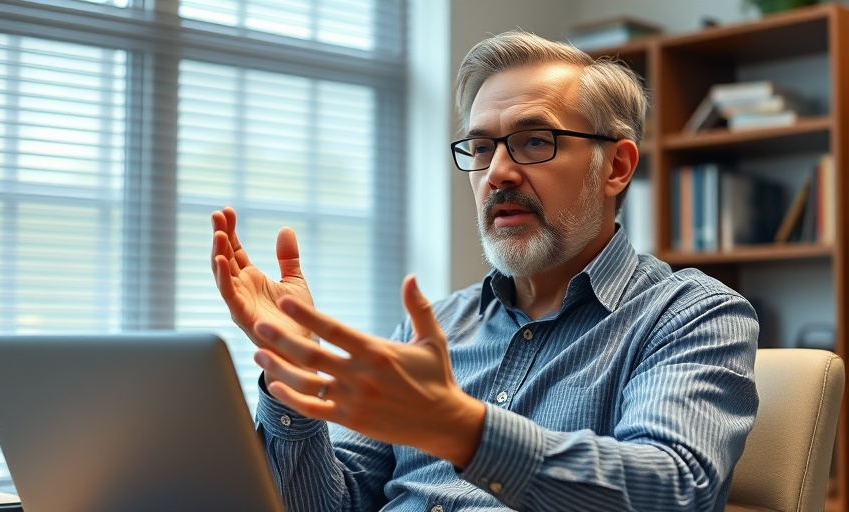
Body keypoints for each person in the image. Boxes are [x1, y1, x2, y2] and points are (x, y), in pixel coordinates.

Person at [210, 30, 758, 512]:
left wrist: (460, 429)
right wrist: (289, 369)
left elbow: (676, 491)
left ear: (615, 167)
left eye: (534, 141)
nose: (497, 172)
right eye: (479, 146)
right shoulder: (436, 325)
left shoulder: (693, 315)